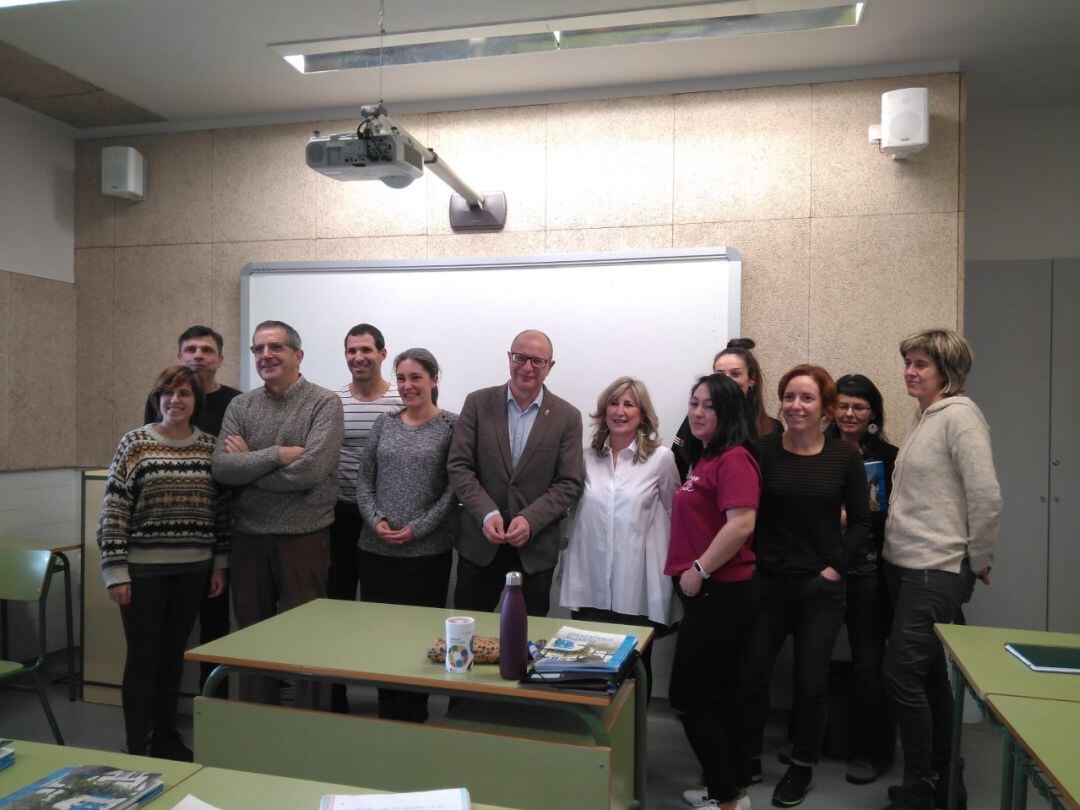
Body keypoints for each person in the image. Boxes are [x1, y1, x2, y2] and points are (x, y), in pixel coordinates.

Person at [881, 329, 1001, 810]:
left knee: (901, 677)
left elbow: (986, 494)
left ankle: (921, 787)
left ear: (947, 372)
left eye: (921, 365)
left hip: (936, 569)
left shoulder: (961, 418)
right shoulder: (926, 416)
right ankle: (947, 783)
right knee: (927, 677)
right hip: (907, 565)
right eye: (908, 362)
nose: (910, 371)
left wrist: (980, 558)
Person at [742, 364, 871, 808]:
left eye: (807, 398)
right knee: (754, 671)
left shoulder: (844, 458)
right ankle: (749, 756)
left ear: (826, 408)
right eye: (789, 397)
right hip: (769, 584)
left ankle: (802, 764)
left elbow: (860, 523)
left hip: (820, 587)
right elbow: (747, 515)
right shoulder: (761, 451)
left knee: (810, 681)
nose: (796, 406)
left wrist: (833, 570)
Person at [98, 365, 229, 760]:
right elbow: (115, 510)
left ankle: (166, 737)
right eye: (168, 393)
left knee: (174, 658)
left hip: (193, 568)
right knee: (143, 659)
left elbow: (220, 512)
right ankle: (138, 743)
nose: (176, 400)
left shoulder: (210, 446)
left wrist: (219, 563)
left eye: (185, 394)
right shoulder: (134, 443)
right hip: (142, 571)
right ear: (157, 399)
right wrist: (115, 571)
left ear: (196, 401)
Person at [211, 320, 344, 706]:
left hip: (305, 538)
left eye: (276, 347)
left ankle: (310, 720)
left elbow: (312, 471)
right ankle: (256, 720)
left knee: (309, 636)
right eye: (258, 349)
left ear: (297, 355)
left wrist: (249, 468)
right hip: (249, 538)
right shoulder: (242, 405)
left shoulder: (323, 403)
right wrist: (276, 455)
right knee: (252, 636)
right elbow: (221, 468)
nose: (265, 355)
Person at [666, 373, 762, 810]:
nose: (698, 412)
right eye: (694, 403)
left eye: (709, 406)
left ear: (728, 413)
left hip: (721, 593)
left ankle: (726, 797)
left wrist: (699, 569)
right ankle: (729, 790)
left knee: (687, 697)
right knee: (718, 696)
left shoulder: (734, 458)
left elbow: (742, 522)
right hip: (709, 594)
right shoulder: (706, 458)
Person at [447, 329, 584, 616]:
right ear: (509, 357)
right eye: (520, 357)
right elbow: (459, 466)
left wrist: (530, 519)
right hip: (480, 546)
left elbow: (569, 482)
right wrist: (487, 512)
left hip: (534, 551)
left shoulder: (567, 417)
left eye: (537, 361)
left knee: (526, 643)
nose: (527, 367)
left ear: (550, 367)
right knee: (468, 633)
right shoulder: (477, 403)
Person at [558, 376, 680, 697]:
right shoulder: (585, 458)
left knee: (635, 671)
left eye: (630, 404)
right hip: (590, 584)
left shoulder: (661, 459)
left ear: (643, 414)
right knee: (586, 669)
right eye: (614, 403)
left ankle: (634, 740)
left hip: (637, 587)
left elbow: (674, 514)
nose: (620, 411)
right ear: (603, 410)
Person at [355, 348, 457, 723]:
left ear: (433, 380)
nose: (407, 385)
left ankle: (415, 716)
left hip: (427, 554)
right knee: (384, 640)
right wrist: (375, 519)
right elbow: (365, 479)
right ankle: (388, 715)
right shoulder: (384, 424)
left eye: (416, 377)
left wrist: (418, 528)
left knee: (420, 642)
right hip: (376, 551)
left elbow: (454, 490)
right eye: (401, 378)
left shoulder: (452, 426)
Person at [142, 325, 240, 697]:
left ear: (220, 359)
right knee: (165, 634)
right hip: (164, 542)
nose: (198, 355)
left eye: (207, 350)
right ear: (180, 356)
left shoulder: (237, 401)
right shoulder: (164, 400)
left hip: (218, 531)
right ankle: (161, 717)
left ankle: (212, 703)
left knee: (216, 626)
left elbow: (238, 463)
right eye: (191, 349)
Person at [827, 374, 900, 785]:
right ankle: (808, 741)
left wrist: (858, 515)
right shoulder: (816, 449)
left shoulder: (889, 456)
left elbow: (897, 515)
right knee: (811, 657)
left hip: (869, 574)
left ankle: (872, 752)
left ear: (873, 413)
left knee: (869, 664)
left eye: (859, 407)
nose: (850, 413)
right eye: (842, 405)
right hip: (823, 569)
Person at [328, 323, 403, 713]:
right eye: (351, 351)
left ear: (382, 354)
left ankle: (386, 698)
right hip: (339, 517)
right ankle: (335, 698)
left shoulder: (400, 400)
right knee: (337, 610)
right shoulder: (331, 402)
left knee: (380, 612)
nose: (358, 358)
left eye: (366, 351)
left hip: (383, 519)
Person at [673, 338, 781, 481]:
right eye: (720, 374)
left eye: (735, 374)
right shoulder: (700, 417)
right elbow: (676, 468)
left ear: (751, 379)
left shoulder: (771, 428)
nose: (727, 380)